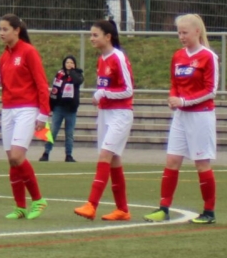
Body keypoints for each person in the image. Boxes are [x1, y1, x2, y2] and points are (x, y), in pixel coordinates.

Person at [144, 14, 218, 224]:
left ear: (197, 31)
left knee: (201, 163)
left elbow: (211, 90)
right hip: (181, 116)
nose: (181, 36)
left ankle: (209, 212)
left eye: (185, 32)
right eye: (179, 33)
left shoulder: (208, 56)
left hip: (201, 116)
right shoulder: (178, 56)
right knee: (172, 161)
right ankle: (163, 208)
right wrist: (173, 98)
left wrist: (184, 101)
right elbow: (174, 83)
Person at [74, 19, 134, 221]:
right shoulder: (101, 59)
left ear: (108, 37)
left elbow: (128, 90)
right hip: (105, 113)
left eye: (95, 35)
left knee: (105, 155)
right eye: (91, 35)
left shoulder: (118, 57)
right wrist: (100, 96)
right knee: (114, 159)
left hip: (120, 114)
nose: (91, 38)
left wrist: (103, 93)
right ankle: (122, 209)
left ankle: (91, 205)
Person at [0, 14, 50, 220]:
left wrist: (43, 113)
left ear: (17, 30)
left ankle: (38, 200)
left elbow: (41, 83)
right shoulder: (4, 56)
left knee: (17, 156)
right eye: (0, 29)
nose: (1, 33)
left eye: (5, 29)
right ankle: (20, 207)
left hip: (27, 109)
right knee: (12, 160)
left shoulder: (28, 52)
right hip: (8, 110)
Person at [40, 56, 83, 162]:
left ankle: (69, 155)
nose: (69, 64)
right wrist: (51, 105)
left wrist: (72, 72)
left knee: (69, 133)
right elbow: (54, 90)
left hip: (71, 109)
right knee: (53, 131)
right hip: (59, 107)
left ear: (74, 64)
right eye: (67, 62)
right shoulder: (59, 74)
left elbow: (78, 82)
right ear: (64, 63)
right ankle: (46, 153)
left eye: (71, 62)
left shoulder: (78, 74)